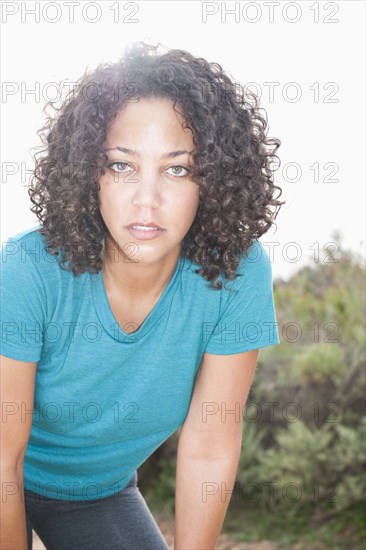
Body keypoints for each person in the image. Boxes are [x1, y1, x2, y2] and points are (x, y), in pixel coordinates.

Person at [1, 42, 284, 550]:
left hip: (95, 493)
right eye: (121, 166)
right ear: (91, 174)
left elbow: (209, 445)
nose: (146, 199)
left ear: (211, 180)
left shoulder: (236, 273)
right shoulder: (29, 268)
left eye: (177, 169)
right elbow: (3, 457)